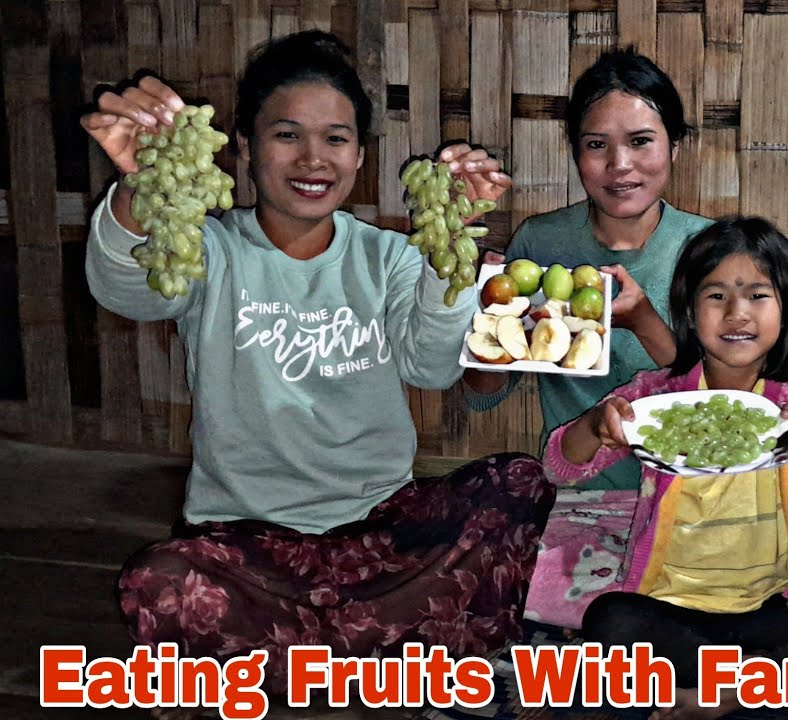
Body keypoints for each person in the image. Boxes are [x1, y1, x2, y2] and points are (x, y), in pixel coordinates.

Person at [81, 30, 554, 693]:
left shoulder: (387, 257)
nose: (313, 158)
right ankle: (390, 648)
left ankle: (297, 655)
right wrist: (135, 191)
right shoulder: (209, 250)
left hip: (380, 536)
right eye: (286, 135)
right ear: (245, 146)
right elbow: (125, 289)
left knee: (521, 484)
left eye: (335, 138)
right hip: (250, 545)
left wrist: (452, 251)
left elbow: (429, 368)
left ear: (359, 155)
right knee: (158, 582)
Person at [544, 217, 788, 720]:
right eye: (716, 296)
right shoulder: (655, 396)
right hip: (670, 611)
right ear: (689, 309)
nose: (738, 313)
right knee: (609, 621)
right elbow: (558, 469)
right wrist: (596, 424)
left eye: (758, 295)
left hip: (770, 611)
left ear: (786, 310)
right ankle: (759, 684)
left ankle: (725, 692)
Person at [465, 47, 713, 490]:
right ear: (576, 152)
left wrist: (644, 323)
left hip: (693, 494)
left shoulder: (711, 251)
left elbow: (727, 397)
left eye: (640, 141)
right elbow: (484, 395)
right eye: (597, 145)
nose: (619, 165)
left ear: (674, 145)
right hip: (573, 494)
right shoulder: (541, 243)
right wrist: (486, 313)